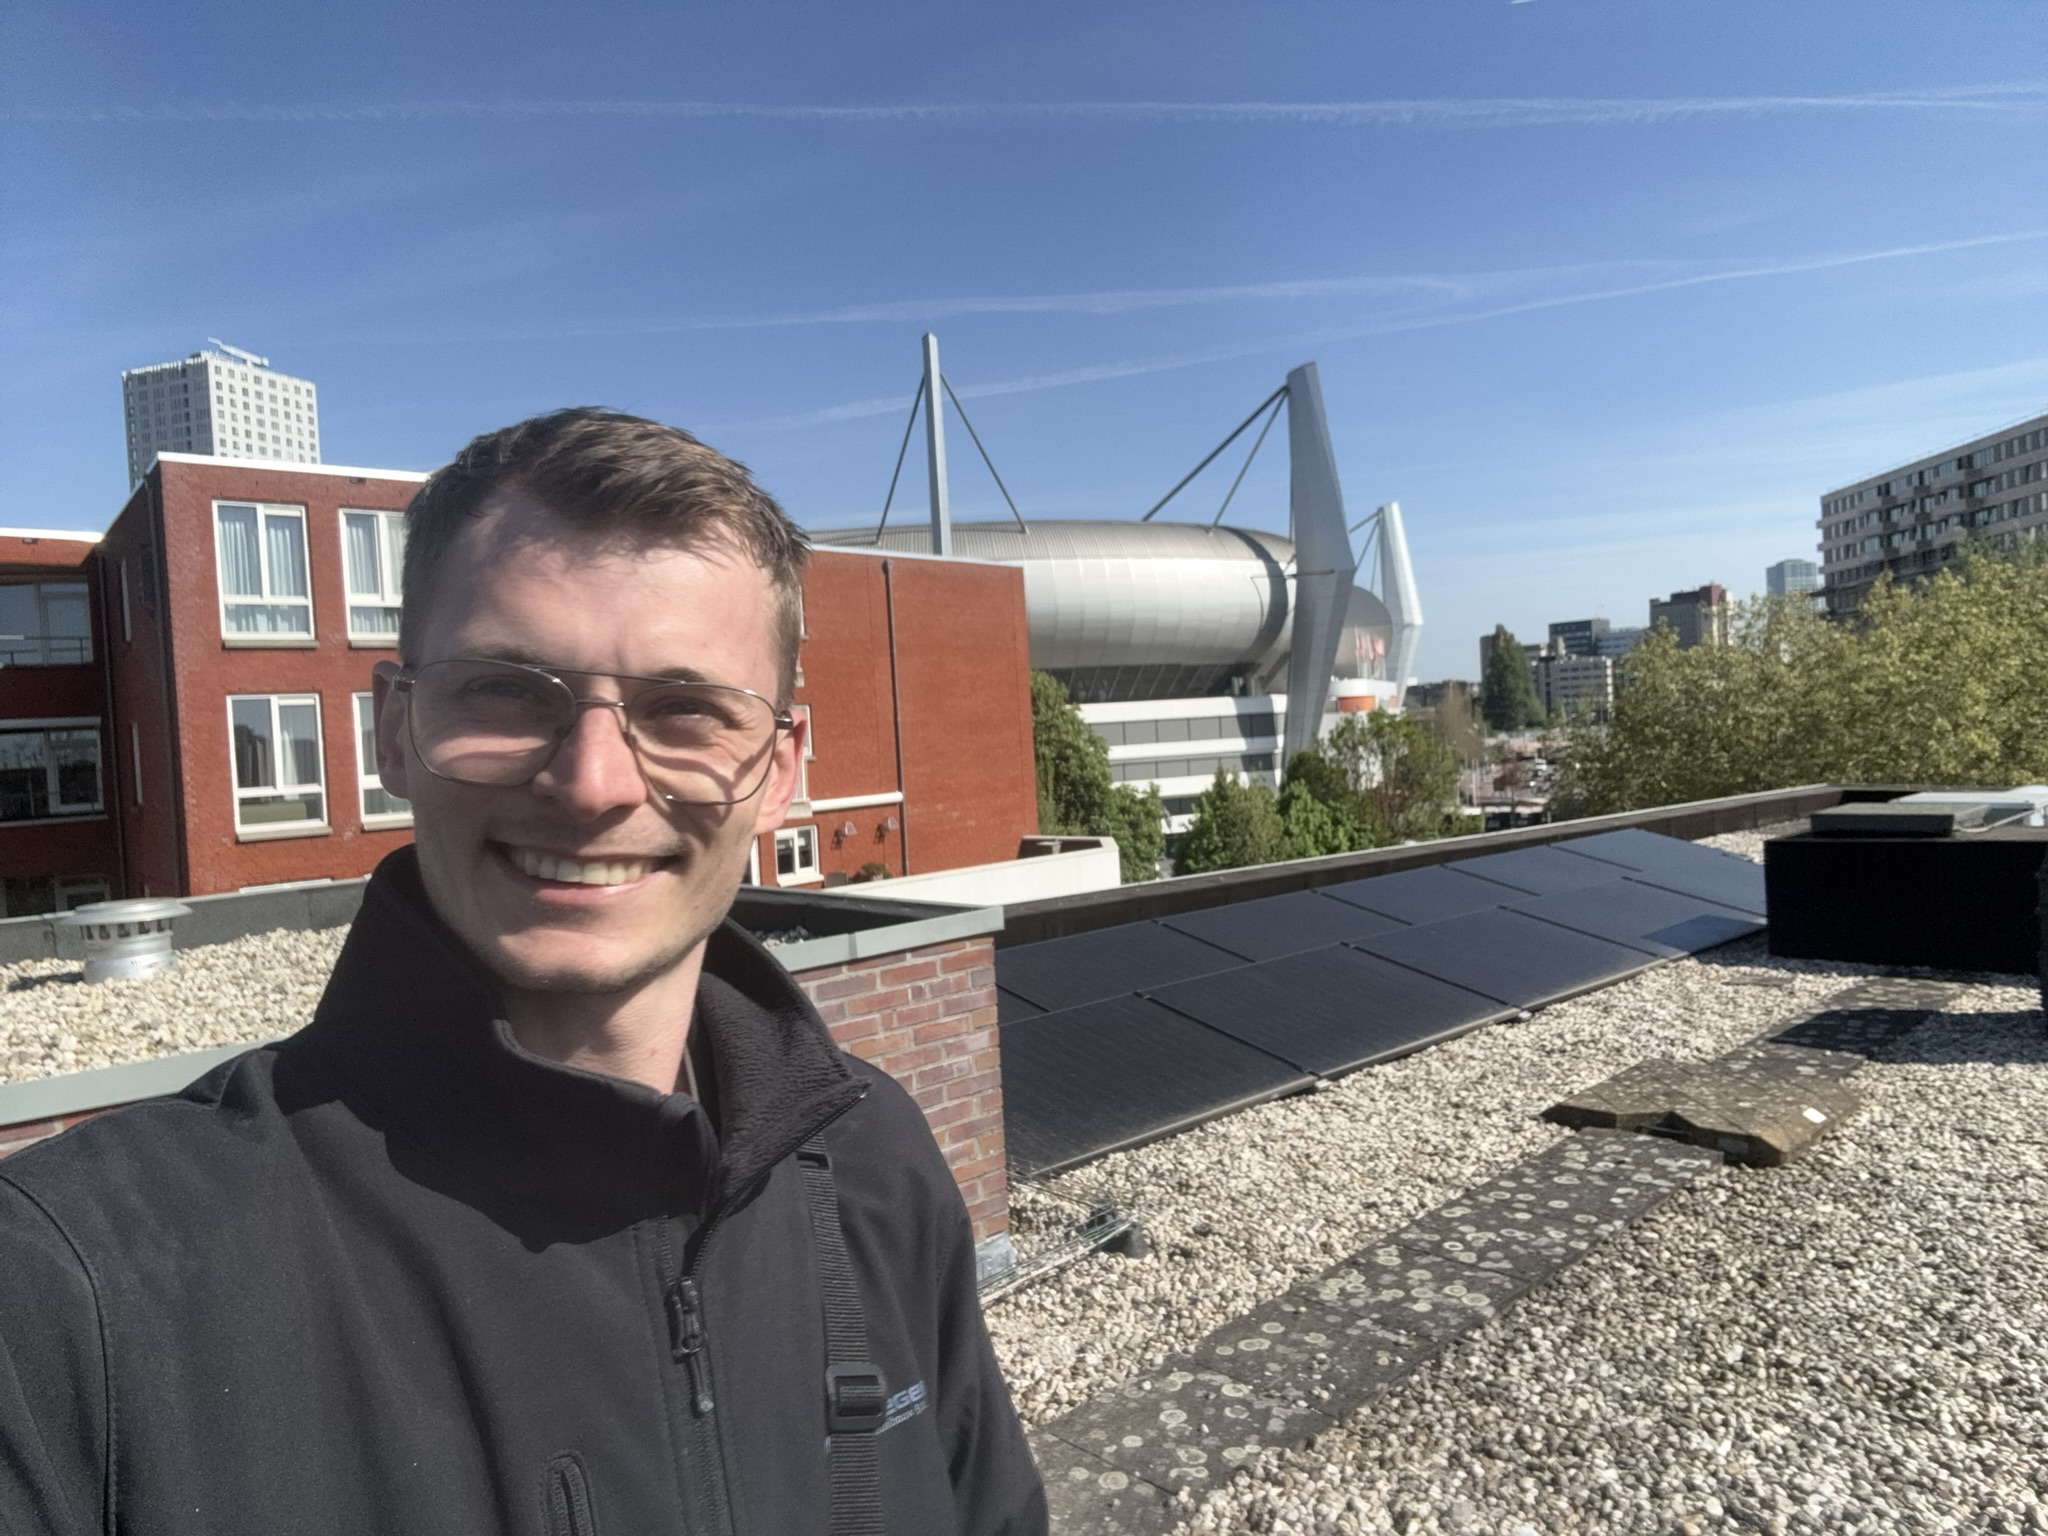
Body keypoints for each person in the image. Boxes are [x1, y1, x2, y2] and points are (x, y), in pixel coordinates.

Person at [0, 409, 1048, 1536]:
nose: (593, 785)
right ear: (395, 731)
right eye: (505, 690)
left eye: (685, 709)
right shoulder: (75, 1294)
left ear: (778, 772)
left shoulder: (873, 1164)